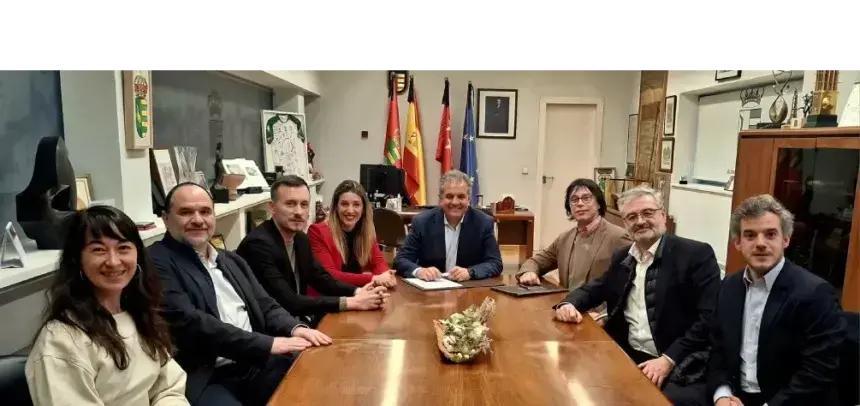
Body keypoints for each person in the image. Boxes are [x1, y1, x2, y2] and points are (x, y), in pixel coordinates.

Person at [149, 182, 331, 406]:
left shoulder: (230, 259)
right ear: (166, 219)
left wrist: (296, 328)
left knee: (320, 383)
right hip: (208, 376)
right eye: (186, 212)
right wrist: (268, 344)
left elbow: (266, 304)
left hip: (255, 364)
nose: (198, 220)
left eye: (205, 212)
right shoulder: (156, 261)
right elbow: (192, 322)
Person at [554, 186, 720, 405]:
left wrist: (668, 360)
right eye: (632, 217)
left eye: (648, 213)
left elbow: (708, 318)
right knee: (570, 383)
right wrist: (568, 303)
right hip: (627, 354)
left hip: (681, 362)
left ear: (663, 215)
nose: (640, 221)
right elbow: (596, 288)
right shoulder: (623, 257)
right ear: (624, 222)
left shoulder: (695, 255)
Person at [26, 206, 189, 406]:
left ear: (138, 255)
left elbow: (169, 388)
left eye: (123, 248)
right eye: (99, 250)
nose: (113, 261)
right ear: (77, 259)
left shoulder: (139, 315)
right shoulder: (62, 340)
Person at [708, 194, 845, 406]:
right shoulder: (729, 287)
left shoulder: (816, 293)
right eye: (750, 235)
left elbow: (817, 372)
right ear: (738, 243)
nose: (760, 244)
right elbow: (718, 351)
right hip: (737, 397)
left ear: (786, 240)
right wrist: (722, 395)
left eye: (770, 234)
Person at [236, 176, 389, 324]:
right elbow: (288, 301)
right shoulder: (258, 245)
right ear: (272, 207)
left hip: (295, 320)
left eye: (304, 204)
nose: (298, 211)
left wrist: (358, 292)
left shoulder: (300, 239)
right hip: (268, 329)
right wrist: (352, 302)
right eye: (290, 204)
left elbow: (321, 278)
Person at [516, 178, 631, 322]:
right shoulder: (565, 238)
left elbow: (630, 287)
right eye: (574, 200)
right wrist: (529, 272)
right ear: (569, 207)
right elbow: (537, 261)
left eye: (586, 198)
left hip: (598, 317)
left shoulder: (618, 237)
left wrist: (605, 316)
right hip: (568, 310)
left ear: (598, 204)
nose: (580, 203)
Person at [394, 169, 503, 281]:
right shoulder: (422, 222)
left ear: (469, 200)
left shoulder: (483, 223)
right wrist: (419, 271)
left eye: (461, 196)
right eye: (449, 196)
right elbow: (401, 259)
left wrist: (470, 272)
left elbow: (495, 263)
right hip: (432, 286)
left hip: (468, 287)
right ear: (441, 199)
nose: (455, 202)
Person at [307, 180, 397, 289]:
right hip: (329, 295)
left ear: (363, 208)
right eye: (344, 204)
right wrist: (374, 278)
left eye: (356, 205)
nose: (350, 210)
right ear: (336, 207)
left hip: (358, 292)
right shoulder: (317, 231)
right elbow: (330, 276)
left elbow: (378, 262)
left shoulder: (366, 230)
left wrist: (387, 275)